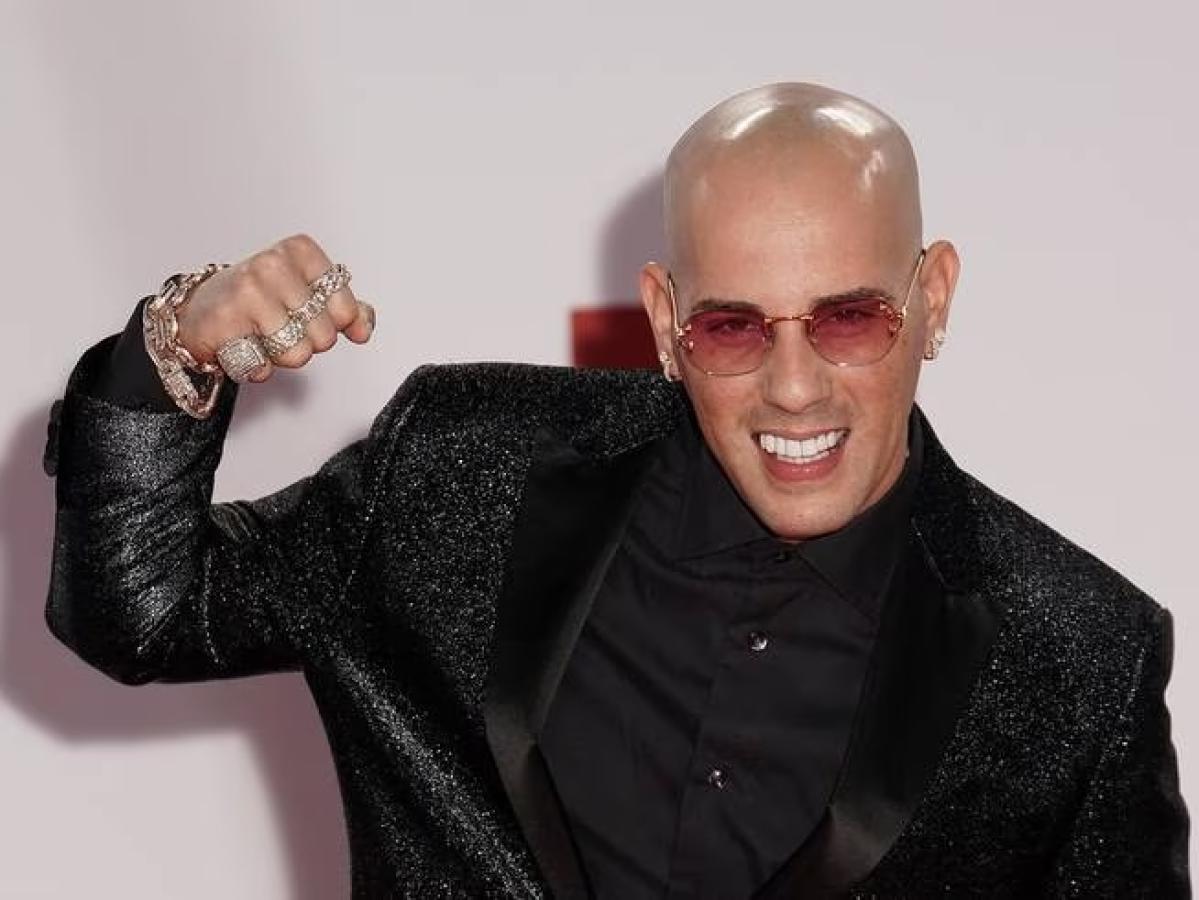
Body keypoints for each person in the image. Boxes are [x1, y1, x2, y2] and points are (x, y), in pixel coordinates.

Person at [43, 82, 1189, 898]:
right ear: (664, 321)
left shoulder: (1079, 660)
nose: (794, 386)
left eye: (849, 319)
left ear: (930, 299)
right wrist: (175, 345)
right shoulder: (460, 465)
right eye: (732, 327)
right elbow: (142, 611)